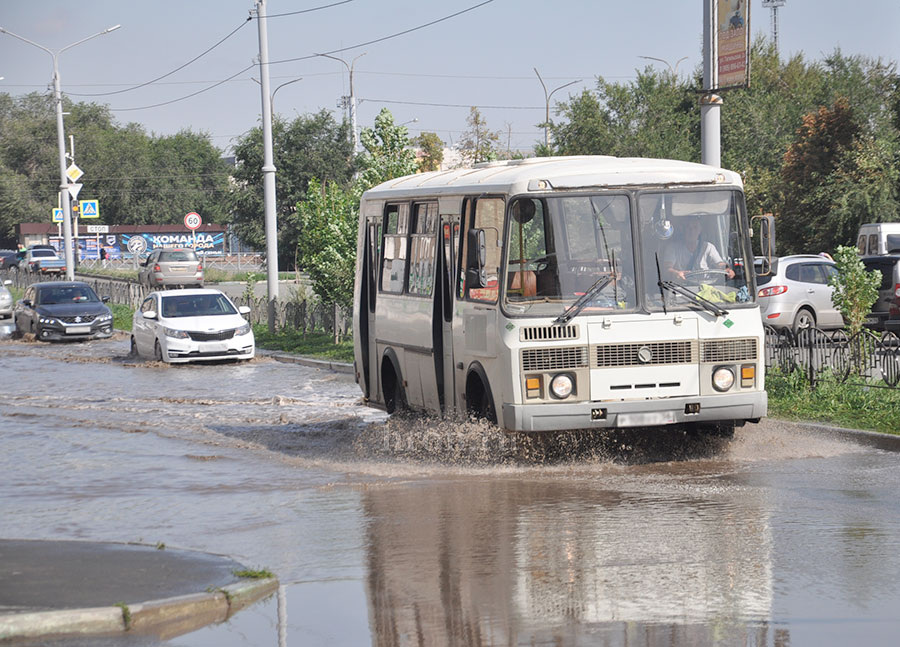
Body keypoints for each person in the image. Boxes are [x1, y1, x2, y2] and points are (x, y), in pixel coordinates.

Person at [663, 216, 735, 281]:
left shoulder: (708, 247)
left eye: (695, 227)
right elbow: (667, 269)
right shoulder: (673, 248)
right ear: (683, 230)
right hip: (682, 289)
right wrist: (676, 274)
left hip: (706, 288)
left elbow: (719, 264)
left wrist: (727, 269)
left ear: (700, 230)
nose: (692, 231)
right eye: (688, 227)